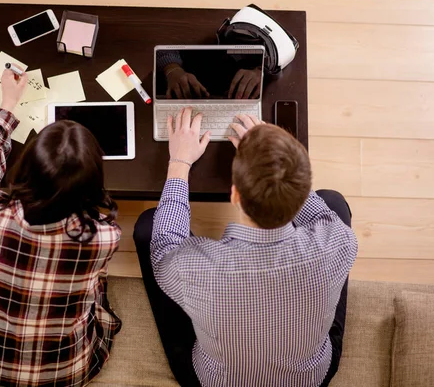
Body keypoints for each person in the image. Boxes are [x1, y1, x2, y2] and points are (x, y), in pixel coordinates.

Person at [134, 108, 358, 386]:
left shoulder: (195, 269)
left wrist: (179, 161)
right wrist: (272, 163)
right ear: (302, 190)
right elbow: (320, 213)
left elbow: (164, 245)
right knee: (333, 202)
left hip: (217, 381)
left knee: (149, 225)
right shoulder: (339, 242)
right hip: (310, 378)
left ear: (235, 194)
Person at [0, 66, 122, 387]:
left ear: (26, 167)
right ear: (93, 185)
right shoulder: (104, 236)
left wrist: (6, 105)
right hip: (69, 373)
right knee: (98, 286)